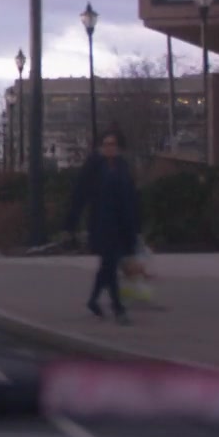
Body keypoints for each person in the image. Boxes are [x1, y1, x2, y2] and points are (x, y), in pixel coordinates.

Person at [64, 129, 140, 325]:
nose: (109, 148)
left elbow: (130, 197)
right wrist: (72, 221)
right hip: (102, 224)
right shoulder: (95, 167)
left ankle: (93, 300)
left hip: (121, 225)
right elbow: (80, 194)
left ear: (118, 147)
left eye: (112, 144)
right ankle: (118, 308)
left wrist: (134, 225)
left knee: (107, 266)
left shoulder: (123, 167)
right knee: (110, 265)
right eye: (106, 145)